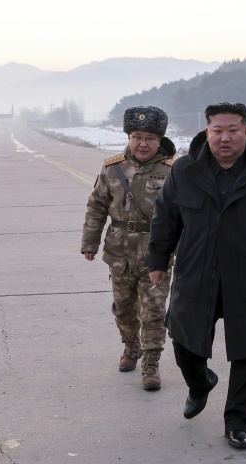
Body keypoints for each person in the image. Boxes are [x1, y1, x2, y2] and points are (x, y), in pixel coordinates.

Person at [147, 102, 246, 449]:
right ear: (207, 132)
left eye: (233, 130)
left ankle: (238, 423)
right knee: (184, 341)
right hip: (196, 273)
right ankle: (200, 384)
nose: (225, 138)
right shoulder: (185, 170)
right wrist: (158, 259)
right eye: (218, 130)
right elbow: (166, 217)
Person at [81, 106, 176, 390]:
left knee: (154, 311)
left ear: (160, 140)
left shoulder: (172, 171)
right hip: (119, 252)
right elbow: (96, 207)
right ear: (128, 136)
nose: (142, 143)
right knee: (123, 309)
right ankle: (131, 345)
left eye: (149, 137)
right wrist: (90, 242)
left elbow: (185, 215)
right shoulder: (112, 168)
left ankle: (151, 362)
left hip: (156, 254)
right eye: (136, 136)